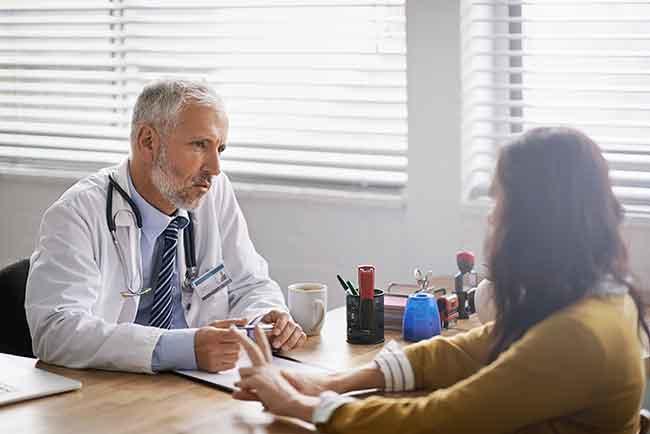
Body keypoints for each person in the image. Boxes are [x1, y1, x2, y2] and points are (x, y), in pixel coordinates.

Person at [232, 127, 649, 434]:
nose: (491, 215)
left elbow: (438, 420)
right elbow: (472, 349)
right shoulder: (596, 300)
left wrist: (301, 405)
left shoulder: (578, 334)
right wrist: (336, 382)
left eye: (499, 199)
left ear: (534, 218)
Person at [25, 79, 306, 374]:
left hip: (202, 385)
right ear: (148, 141)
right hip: (114, 391)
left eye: (219, 149)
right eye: (200, 145)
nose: (215, 168)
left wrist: (264, 317)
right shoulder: (76, 214)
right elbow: (55, 331)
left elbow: (249, 282)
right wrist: (183, 348)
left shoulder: (214, 192)